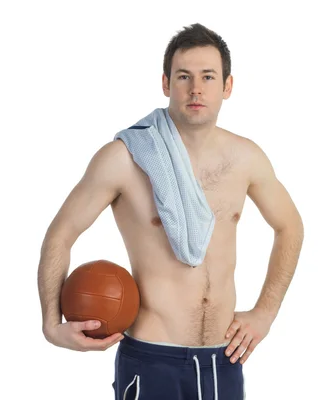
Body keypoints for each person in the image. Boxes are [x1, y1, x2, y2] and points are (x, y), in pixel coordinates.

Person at [38, 23, 304, 399]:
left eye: (208, 77)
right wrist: (52, 324)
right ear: (166, 83)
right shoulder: (124, 159)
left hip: (223, 360)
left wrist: (265, 312)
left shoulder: (246, 158)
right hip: (151, 359)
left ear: (227, 86)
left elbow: (290, 226)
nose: (196, 88)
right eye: (184, 76)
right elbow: (61, 233)